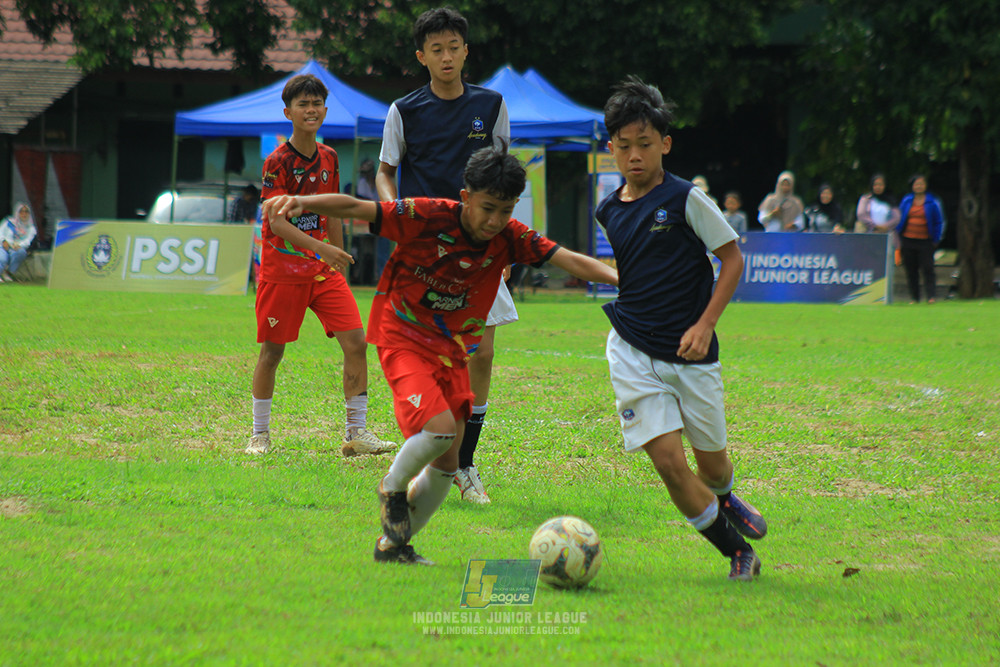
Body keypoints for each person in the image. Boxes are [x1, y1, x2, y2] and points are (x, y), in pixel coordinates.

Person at [263, 145, 619, 565]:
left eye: (505, 210)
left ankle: (394, 547)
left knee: (447, 465)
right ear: (465, 196)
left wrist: (625, 282)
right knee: (440, 430)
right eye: (487, 208)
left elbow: (570, 260)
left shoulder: (511, 236)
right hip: (403, 338)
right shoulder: (427, 215)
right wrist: (301, 200)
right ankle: (392, 487)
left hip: (451, 353)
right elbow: (357, 206)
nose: (495, 221)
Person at [597, 76, 766, 581]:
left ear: (665, 145)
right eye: (624, 147)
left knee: (711, 466)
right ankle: (737, 553)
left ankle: (725, 494)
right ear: (611, 149)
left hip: (692, 354)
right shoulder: (608, 210)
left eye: (645, 145)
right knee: (670, 463)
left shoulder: (687, 199)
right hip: (630, 348)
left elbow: (731, 260)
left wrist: (704, 323)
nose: (634, 156)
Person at [376, 7, 513, 505]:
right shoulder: (404, 110)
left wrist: (503, 236)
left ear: (466, 51)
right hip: (426, 253)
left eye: (454, 46)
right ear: (422, 57)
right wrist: (396, 215)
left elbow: (502, 172)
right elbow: (386, 170)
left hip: (481, 248)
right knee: (432, 354)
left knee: (483, 354)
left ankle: (467, 463)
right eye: (436, 49)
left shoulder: (492, 104)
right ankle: (436, 452)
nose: (447, 56)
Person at [248, 73, 395, 457]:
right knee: (272, 352)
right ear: (288, 112)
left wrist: (338, 259)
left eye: (316, 104)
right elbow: (276, 223)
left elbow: (333, 212)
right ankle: (259, 435)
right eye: (303, 104)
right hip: (283, 272)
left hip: (323, 271)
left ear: (325, 110)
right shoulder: (276, 162)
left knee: (357, 342)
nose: (310, 110)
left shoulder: (329, 156)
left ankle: (356, 433)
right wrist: (322, 249)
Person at [896, 174, 945, 303]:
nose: (919, 186)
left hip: (925, 241)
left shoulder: (932, 201)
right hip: (908, 240)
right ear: (912, 186)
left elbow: (938, 221)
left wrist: (936, 238)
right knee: (911, 270)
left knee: (928, 268)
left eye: (921, 184)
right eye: (916, 184)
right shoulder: (907, 200)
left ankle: (931, 296)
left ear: (925, 185)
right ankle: (914, 297)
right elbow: (899, 217)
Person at [0, 202, 37, 282]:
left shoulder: (31, 228)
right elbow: (0, 233)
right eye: (21, 211)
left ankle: (8, 273)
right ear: (17, 213)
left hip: (17, 248)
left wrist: (19, 245)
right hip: (3, 246)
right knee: (2, 258)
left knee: (21, 253)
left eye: (26, 212)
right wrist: (3, 241)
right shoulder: (8, 222)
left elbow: (28, 241)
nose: (24, 214)